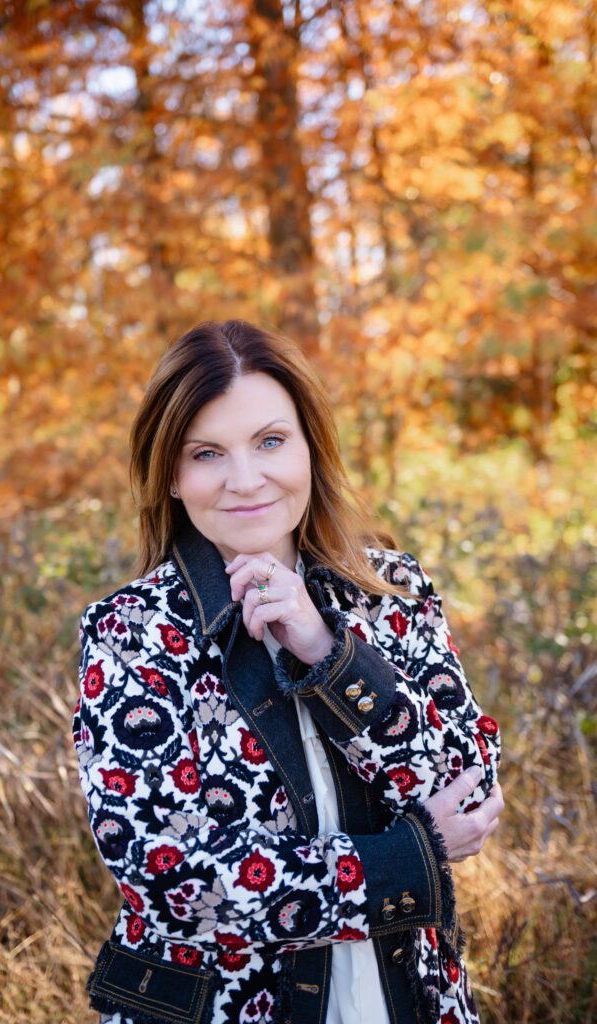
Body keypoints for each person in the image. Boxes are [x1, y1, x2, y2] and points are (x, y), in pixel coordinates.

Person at [73, 319, 503, 1024]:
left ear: (309, 448)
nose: (246, 480)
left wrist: (326, 653)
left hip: (407, 998)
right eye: (206, 453)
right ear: (172, 477)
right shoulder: (132, 634)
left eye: (270, 441)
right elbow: (171, 881)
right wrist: (403, 863)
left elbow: (469, 791)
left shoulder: (390, 591)